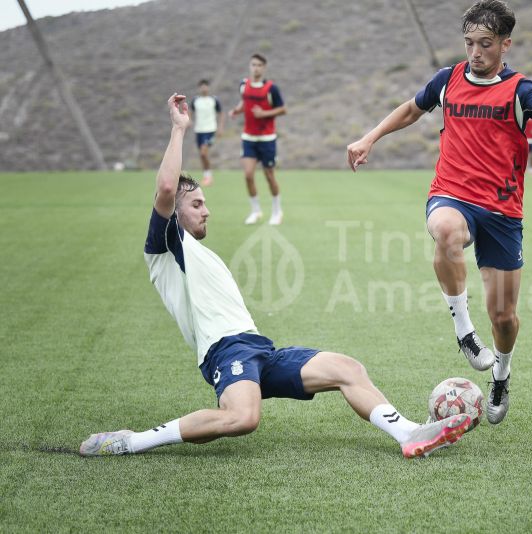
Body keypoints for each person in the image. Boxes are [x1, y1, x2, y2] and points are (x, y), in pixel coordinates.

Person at [79, 94, 471, 459]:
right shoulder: (166, 244)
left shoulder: (197, 251)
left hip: (258, 349)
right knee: (242, 418)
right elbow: (167, 187)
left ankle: (409, 434)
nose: (206, 211)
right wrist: (179, 129)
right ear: (174, 212)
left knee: (347, 368)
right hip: (225, 351)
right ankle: (130, 441)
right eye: (196, 204)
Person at [347, 0, 532, 425]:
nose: (475, 52)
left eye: (485, 44)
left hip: (502, 212)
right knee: (445, 230)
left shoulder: (522, 90)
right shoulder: (448, 79)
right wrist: (369, 138)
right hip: (451, 194)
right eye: (470, 42)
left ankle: (501, 375)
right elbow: (411, 109)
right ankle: (465, 332)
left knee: (504, 318)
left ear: (505, 44)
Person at [229, 54, 286, 225]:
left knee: (269, 176)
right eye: (253, 64)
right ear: (250, 66)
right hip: (248, 138)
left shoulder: (271, 88)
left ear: (264, 68)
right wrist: (236, 111)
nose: (256, 68)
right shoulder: (243, 85)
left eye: (260, 65)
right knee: (248, 175)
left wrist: (264, 113)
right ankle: (256, 211)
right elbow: (244, 102)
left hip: (267, 139)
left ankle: (277, 212)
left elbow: (283, 109)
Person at [189, 79, 223, 187]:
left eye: (205, 86)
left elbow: (221, 113)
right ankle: (206, 176)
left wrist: (220, 127)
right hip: (199, 130)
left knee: (204, 153)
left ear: (208, 87)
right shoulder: (195, 100)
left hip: (210, 130)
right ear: (199, 88)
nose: (204, 88)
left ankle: (208, 176)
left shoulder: (214, 100)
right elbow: (190, 111)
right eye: (202, 86)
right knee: (202, 155)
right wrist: (189, 120)